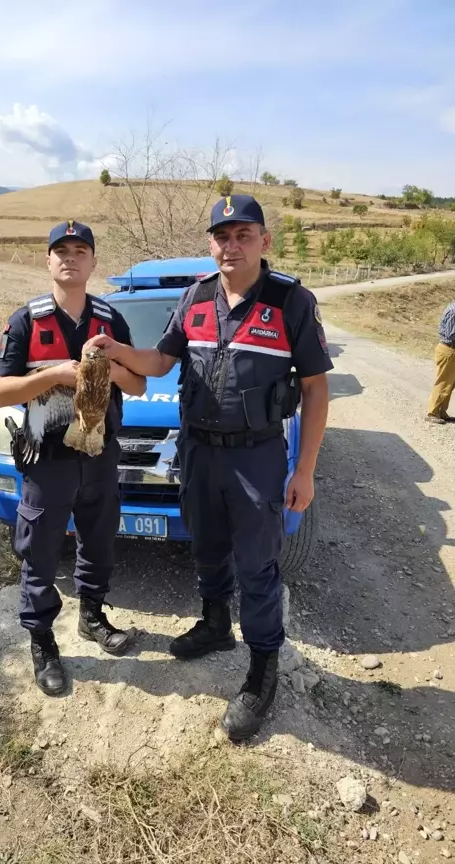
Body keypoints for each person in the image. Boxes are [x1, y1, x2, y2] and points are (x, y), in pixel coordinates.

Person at [84, 194, 333, 740]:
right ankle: (216, 625)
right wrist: (115, 349)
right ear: (211, 243)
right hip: (199, 450)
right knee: (208, 546)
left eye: (244, 234)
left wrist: (305, 469)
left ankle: (262, 666)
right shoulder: (195, 297)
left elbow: (316, 389)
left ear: (264, 241)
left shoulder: (291, 301)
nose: (232, 245)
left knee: (257, 565)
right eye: (222, 236)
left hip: (257, 456)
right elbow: (160, 361)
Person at [0, 220, 146, 696]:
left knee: (98, 540)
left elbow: (138, 384)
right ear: (48, 260)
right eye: (61, 250)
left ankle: (92, 617)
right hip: (46, 458)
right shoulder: (26, 321)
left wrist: (112, 369)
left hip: (99, 454)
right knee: (39, 550)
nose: (70, 258)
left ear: (94, 262)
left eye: (81, 250)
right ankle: (42, 641)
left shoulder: (109, 320)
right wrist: (54, 374)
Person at [426, 299, 455, 424]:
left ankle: (441, 411)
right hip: (449, 349)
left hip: (451, 350)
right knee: (443, 382)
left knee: (450, 383)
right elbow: (450, 335)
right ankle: (432, 412)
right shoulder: (453, 311)